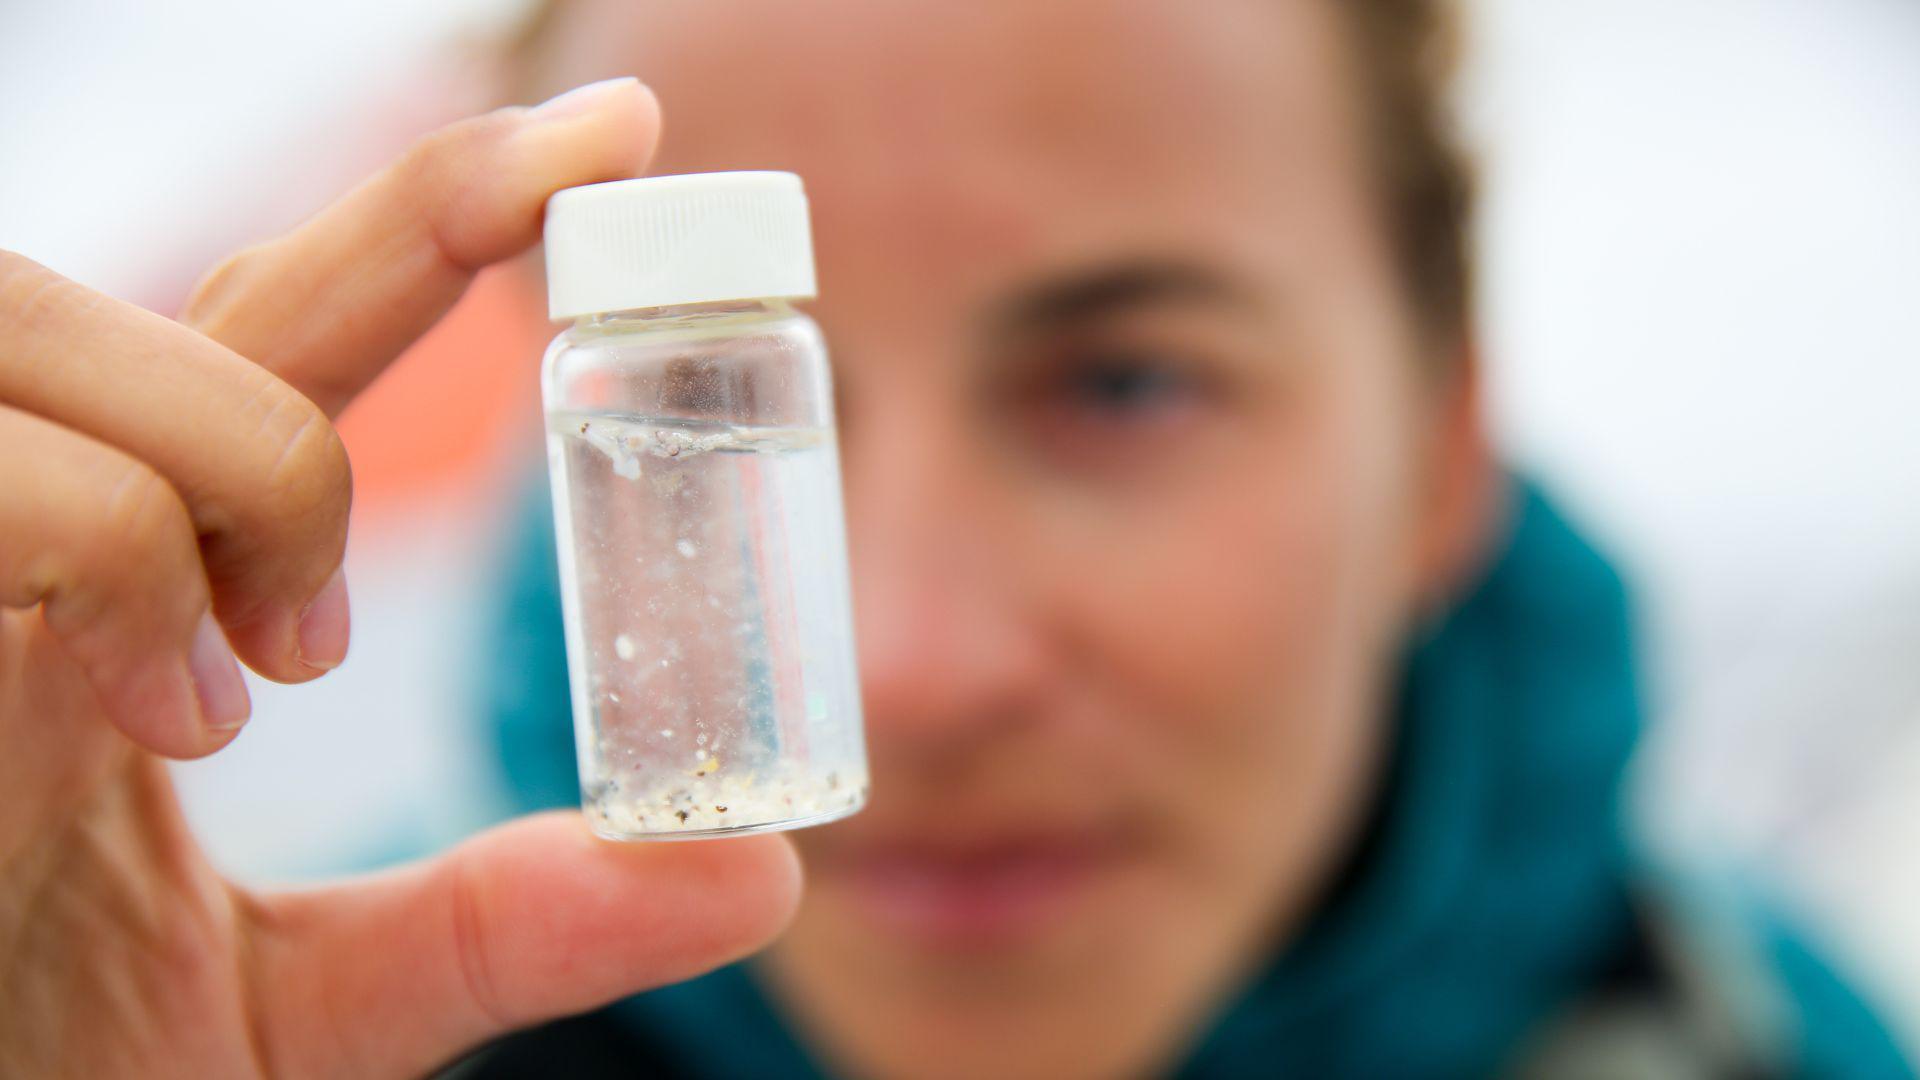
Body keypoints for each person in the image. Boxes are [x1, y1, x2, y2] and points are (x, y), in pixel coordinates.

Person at [0, 2, 1906, 1080]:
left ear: (1438, 445)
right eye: (708, 432)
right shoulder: (240, 1031)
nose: (906, 668)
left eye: (1127, 386)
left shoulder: (1774, 1055)